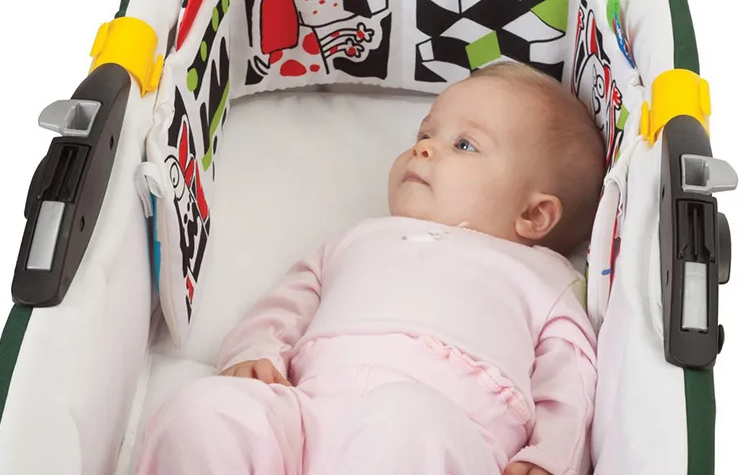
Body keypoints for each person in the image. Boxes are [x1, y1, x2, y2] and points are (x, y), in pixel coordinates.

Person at [136, 60, 606, 475]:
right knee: (205, 410)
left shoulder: (542, 278)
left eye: (465, 145)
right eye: (425, 134)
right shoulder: (357, 240)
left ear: (534, 215)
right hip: (306, 415)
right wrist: (254, 352)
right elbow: (285, 304)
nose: (424, 148)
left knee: (404, 423)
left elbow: (571, 378)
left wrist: (552, 454)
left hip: (441, 427)